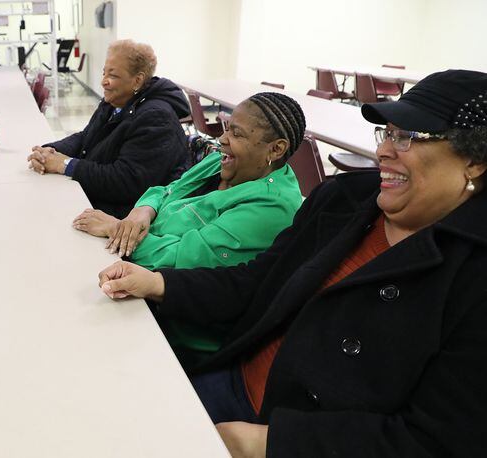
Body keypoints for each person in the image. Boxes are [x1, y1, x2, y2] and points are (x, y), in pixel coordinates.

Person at [97, 69, 487, 457]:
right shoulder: (344, 200)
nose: (384, 150)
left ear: (474, 161)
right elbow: (260, 280)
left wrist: (269, 443)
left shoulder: (473, 276)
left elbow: (436, 440)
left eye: (407, 137)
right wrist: (157, 283)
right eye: (387, 132)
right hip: (233, 380)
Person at [75, 93, 304, 366]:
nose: (222, 139)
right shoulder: (223, 162)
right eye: (227, 127)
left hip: (175, 329)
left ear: (276, 149)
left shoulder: (271, 207)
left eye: (237, 134)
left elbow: (179, 262)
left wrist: (116, 228)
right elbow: (167, 190)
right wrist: (142, 212)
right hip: (136, 276)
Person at [27, 39, 190, 219]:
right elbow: (85, 137)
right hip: (100, 198)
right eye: (104, 73)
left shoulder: (156, 118)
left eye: (112, 76)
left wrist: (65, 165)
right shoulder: (114, 103)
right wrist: (49, 152)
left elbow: (125, 181)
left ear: (137, 80)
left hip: (123, 216)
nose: (104, 82)